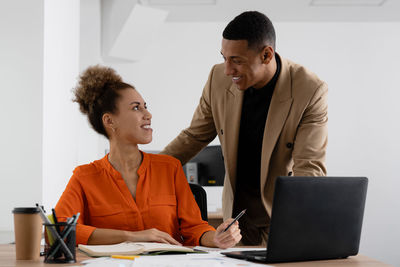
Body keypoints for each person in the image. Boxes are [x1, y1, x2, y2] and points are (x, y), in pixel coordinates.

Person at [161, 11, 328, 245]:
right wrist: (146, 171)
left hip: (281, 218)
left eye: (237, 60)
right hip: (235, 220)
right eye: (224, 58)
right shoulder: (218, 78)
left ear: (266, 55)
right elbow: (194, 136)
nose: (228, 70)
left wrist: (298, 223)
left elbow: (308, 166)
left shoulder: (309, 90)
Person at [55, 65, 241, 248]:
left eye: (145, 106)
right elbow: (59, 230)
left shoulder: (170, 168)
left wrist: (215, 237)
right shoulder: (84, 177)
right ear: (109, 120)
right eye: (136, 108)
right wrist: (131, 237)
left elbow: (195, 228)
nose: (148, 114)